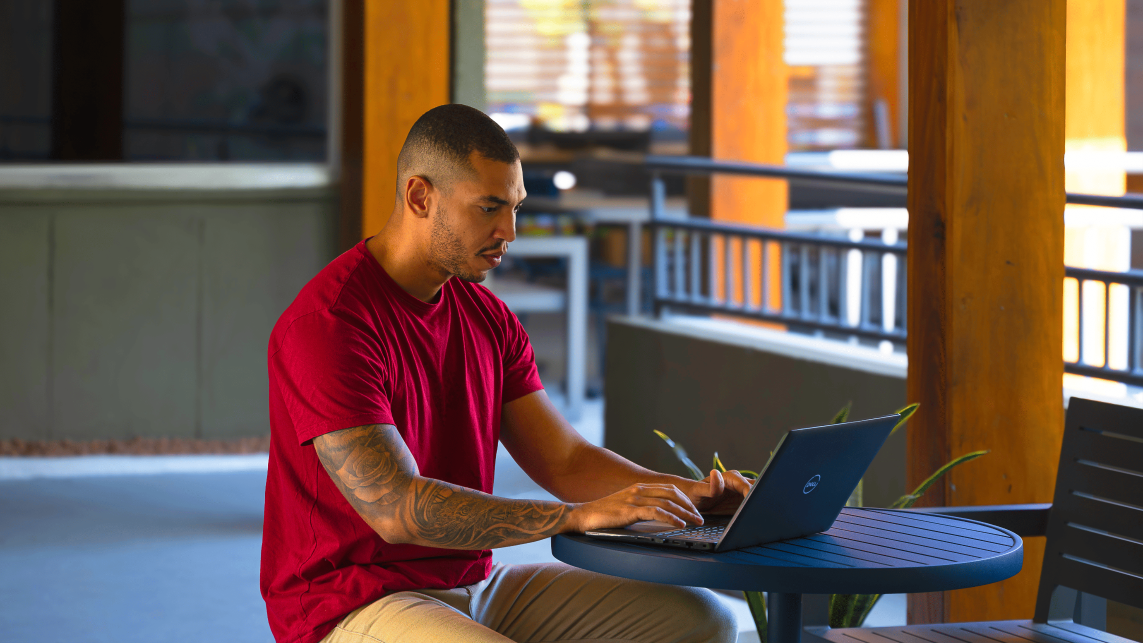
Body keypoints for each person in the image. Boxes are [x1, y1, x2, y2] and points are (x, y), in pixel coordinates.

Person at [260, 104, 752, 643]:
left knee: (704, 621)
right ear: (420, 197)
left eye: (515, 206)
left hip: (473, 586)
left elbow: (564, 460)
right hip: (352, 603)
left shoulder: (487, 317)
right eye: (489, 207)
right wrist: (573, 517)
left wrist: (690, 496)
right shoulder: (329, 324)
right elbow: (396, 509)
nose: (509, 231)